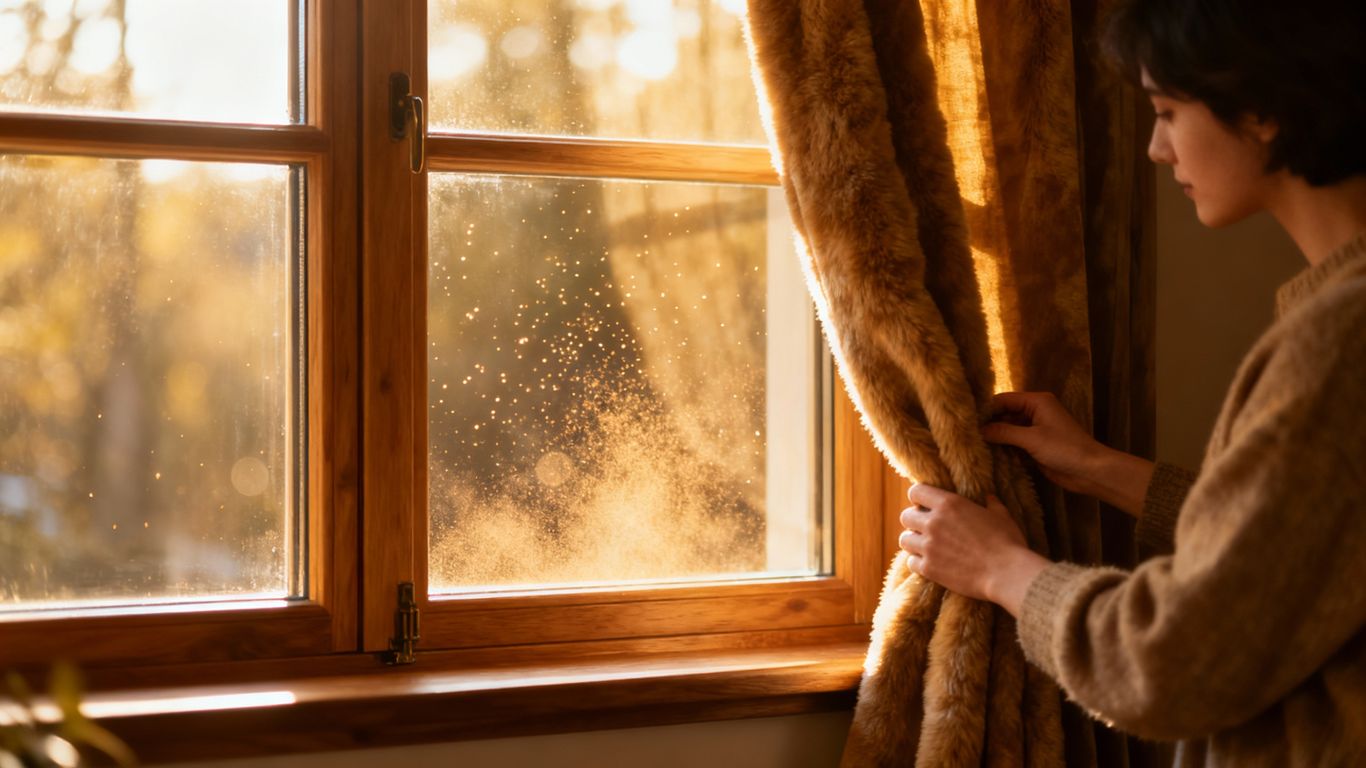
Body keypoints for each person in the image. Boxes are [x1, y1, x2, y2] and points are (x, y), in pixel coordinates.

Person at [894, 0, 1366, 764]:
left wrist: (1001, 570)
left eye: (1167, 111)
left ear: (1261, 109)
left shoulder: (1341, 341)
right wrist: (1098, 468)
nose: (1154, 148)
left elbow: (1177, 661)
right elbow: (1298, 548)